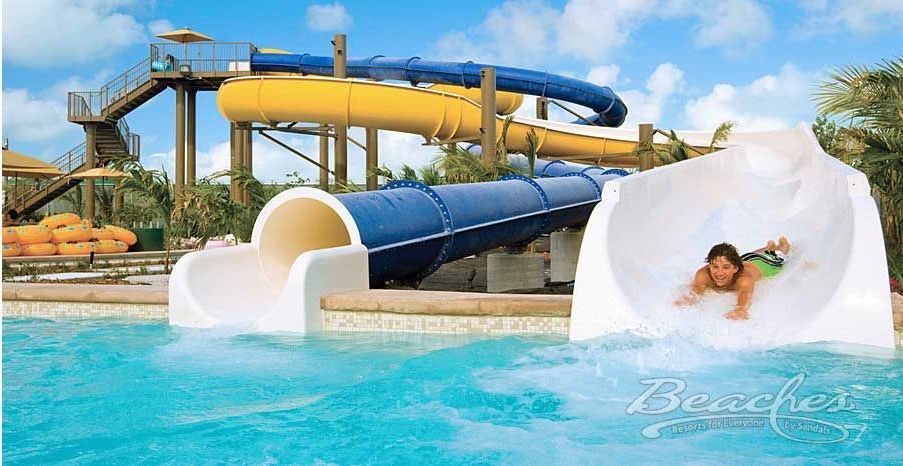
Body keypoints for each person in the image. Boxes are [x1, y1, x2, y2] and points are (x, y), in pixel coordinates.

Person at [675, 237, 790, 320]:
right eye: (715, 266)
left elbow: (745, 293)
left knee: (778, 254)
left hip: (763, 264)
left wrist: (740, 308)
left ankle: (782, 244)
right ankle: (768, 246)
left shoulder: (744, 278)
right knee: (741, 257)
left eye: (725, 267)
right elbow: (697, 288)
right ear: (709, 265)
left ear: (735, 268)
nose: (719, 273)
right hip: (745, 259)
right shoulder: (703, 274)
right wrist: (689, 298)